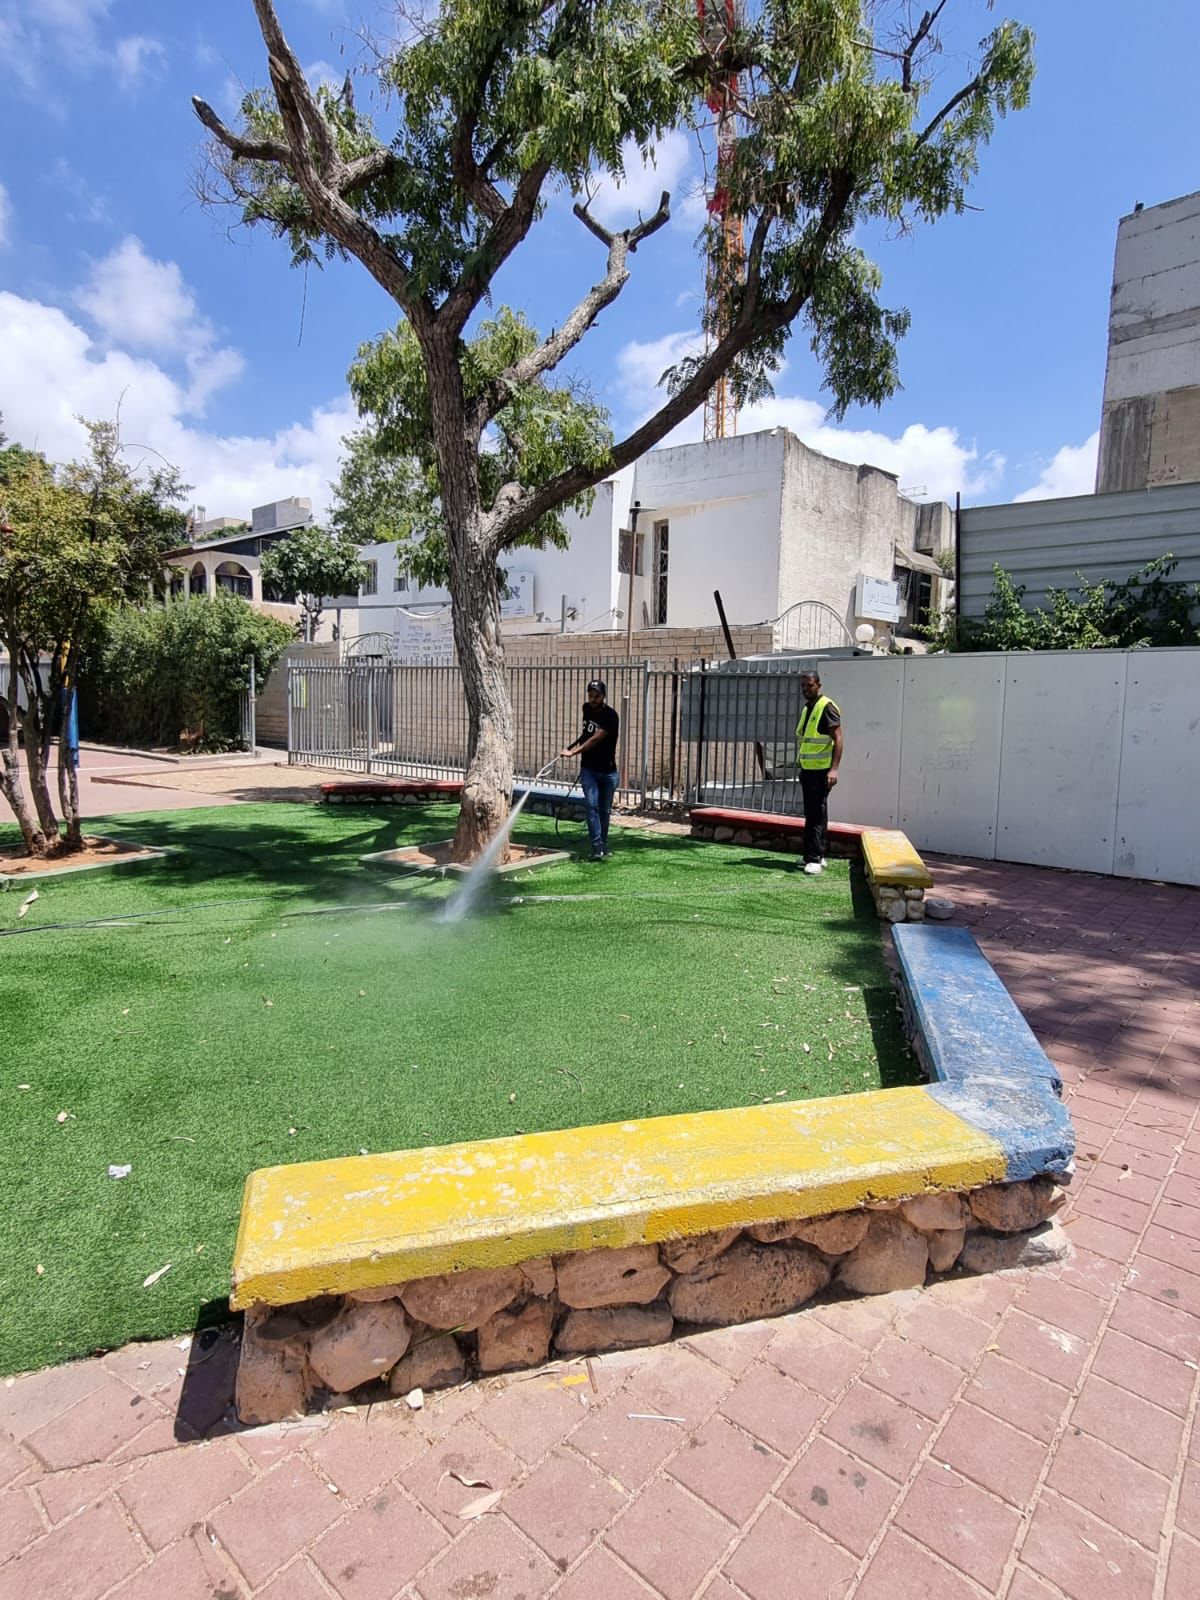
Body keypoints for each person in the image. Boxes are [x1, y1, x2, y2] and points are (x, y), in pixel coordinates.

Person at [560, 679, 620, 861]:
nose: (593, 699)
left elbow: (595, 739)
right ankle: (596, 847)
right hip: (589, 770)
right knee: (591, 806)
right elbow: (586, 734)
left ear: (604, 696)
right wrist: (572, 746)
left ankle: (603, 844)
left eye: (597, 696)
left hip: (608, 771)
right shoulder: (586, 709)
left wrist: (573, 752)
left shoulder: (611, 716)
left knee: (604, 810)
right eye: (590, 695)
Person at [795, 670, 843, 875]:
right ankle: (817, 855)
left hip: (821, 771)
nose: (806, 689)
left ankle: (813, 858)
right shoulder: (808, 708)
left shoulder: (826, 707)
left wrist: (834, 769)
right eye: (803, 686)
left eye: (810, 685)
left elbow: (838, 739)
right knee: (816, 813)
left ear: (819, 685)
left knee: (814, 814)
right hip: (808, 770)